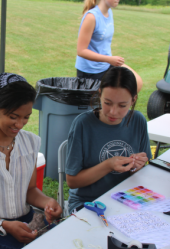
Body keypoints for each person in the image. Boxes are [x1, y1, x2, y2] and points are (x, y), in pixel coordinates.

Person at [0, 73, 63, 249]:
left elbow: (30, 191)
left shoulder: (29, 143)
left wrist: (48, 202)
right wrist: (3, 224)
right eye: (13, 116)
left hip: (24, 220)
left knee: (62, 242)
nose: (20, 124)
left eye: (26, 117)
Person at [65, 66, 152, 213]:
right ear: (99, 95)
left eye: (122, 105)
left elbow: (140, 174)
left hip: (126, 199)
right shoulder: (83, 124)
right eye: (107, 102)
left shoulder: (138, 121)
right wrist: (109, 165)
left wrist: (138, 165)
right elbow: (72, 181)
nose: (113, 112)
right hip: (89, 201)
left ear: (133, 100)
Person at [75, 0, 143, 91]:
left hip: (106, 65)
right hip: (90, 72)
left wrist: (109, 60)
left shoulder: (109, 12)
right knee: (101, 105)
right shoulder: (91, 17)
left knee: (137, 83)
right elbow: (81, 51)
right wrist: (109, 59)